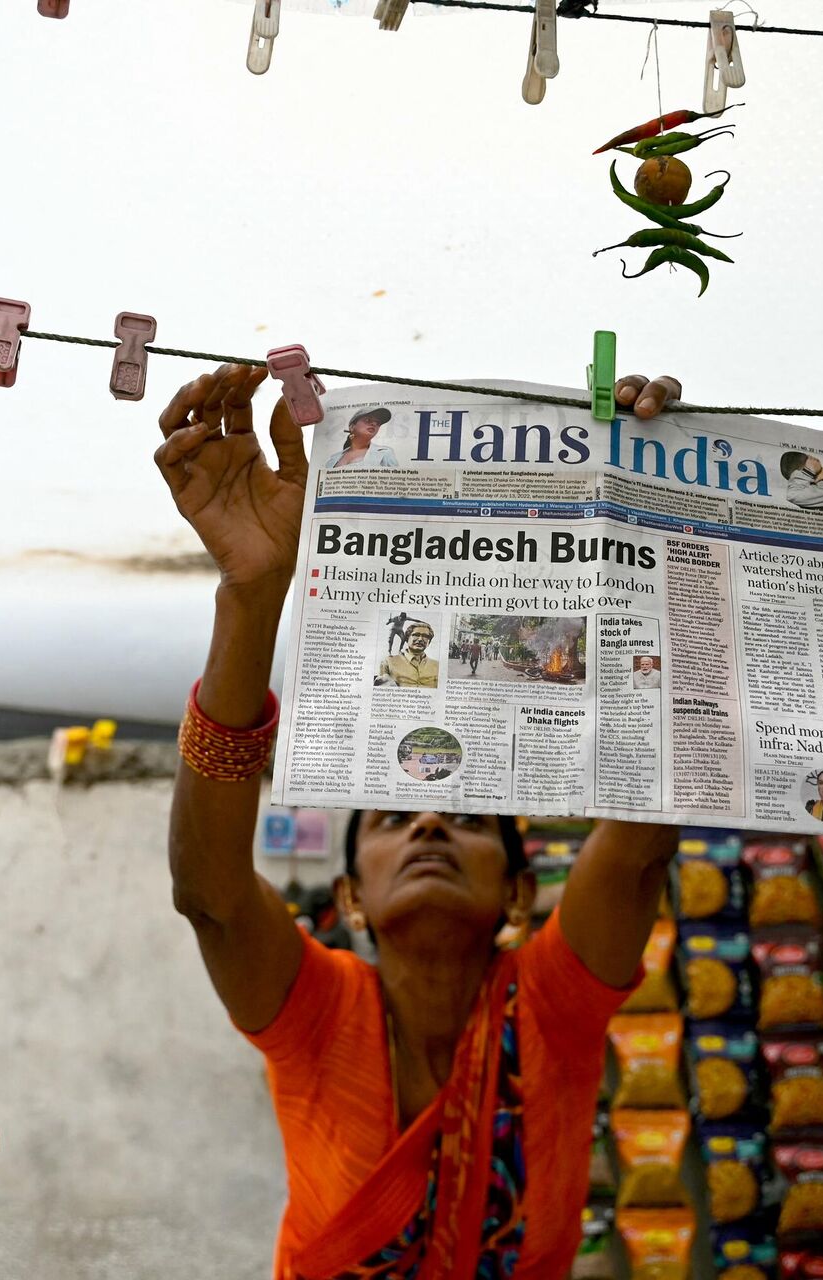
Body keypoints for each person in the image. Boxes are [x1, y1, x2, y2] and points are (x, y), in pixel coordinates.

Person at [153, 363, 686, 1279]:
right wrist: (251, 592)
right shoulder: (318, 1012)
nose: (432, 824)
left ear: (522, 894)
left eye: (467, 817)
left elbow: (638, 846)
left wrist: (647, 490)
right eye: (397, 815)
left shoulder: (552, 1005)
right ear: (351, 897)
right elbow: (212, 898)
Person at [332, 407, 400, 469]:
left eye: (378, 423)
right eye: (367, 420)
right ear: (352, 427)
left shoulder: (385, 453)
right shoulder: (334, 458)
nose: (374, 424)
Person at [378, 622, 440, 688]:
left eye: (425, 636)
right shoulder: (388, 662)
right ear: (407, 638)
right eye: (416, 635)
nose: (420, 639)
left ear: (429, 641)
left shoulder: (437, 665)